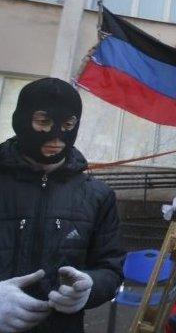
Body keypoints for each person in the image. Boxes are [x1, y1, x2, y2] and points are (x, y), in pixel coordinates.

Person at [0, 78, 125, 333]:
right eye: (43, 122)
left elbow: (110, 268)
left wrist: (89, 287)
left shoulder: (97, 196)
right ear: (22, 119)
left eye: (68, 125)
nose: (57, 136)